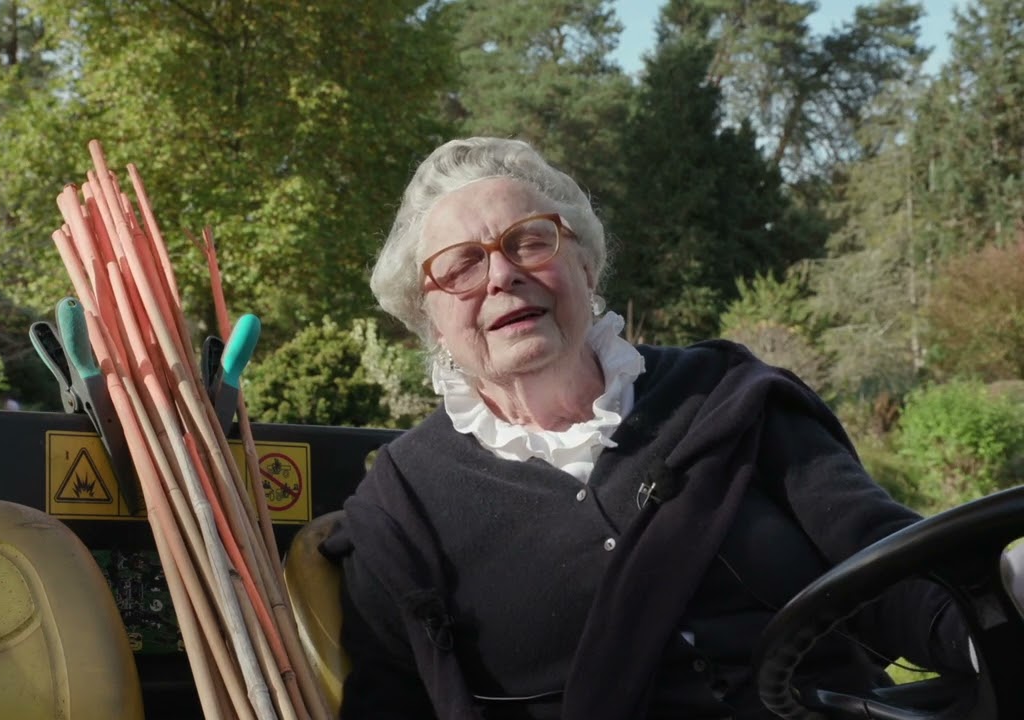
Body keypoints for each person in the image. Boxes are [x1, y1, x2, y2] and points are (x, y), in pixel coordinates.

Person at [319, 137, 976, 719]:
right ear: (430, 320)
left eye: (530, 240)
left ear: (586, 266)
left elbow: (896, 568)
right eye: (461, 265)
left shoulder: (729, 398)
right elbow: (390, 698)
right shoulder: (403, 507)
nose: (502, 273)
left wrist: (989, 623)